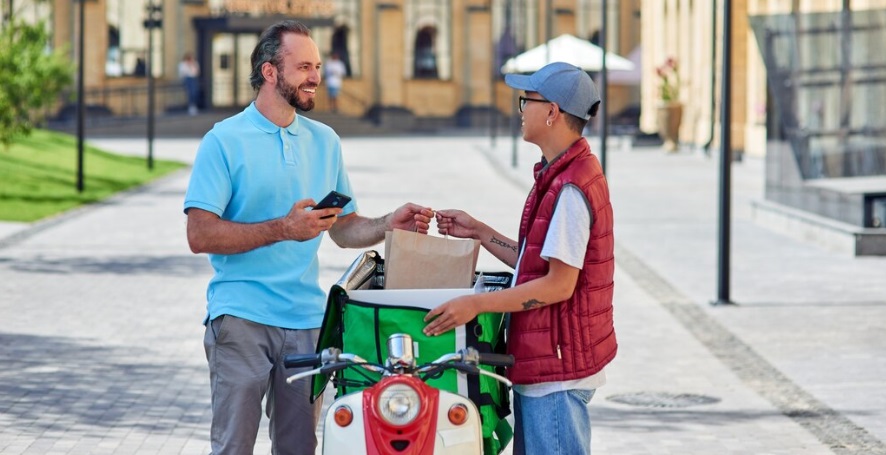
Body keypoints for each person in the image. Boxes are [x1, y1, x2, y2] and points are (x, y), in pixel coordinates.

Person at [183, 20, 434, 455]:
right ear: (269, 72)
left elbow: (342, 227)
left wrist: (387, 223)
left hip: (307, 324)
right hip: (241, 318)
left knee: (300, 449)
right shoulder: (223, 140)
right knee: (233, 447)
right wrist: (283, 228)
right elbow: (199, 233)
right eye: (303, 66)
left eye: (316, 65)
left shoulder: (325, 140)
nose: (315, 76)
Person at [422, 62, 616, 455]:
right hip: (547, 366)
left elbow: (559, 285)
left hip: (556, 375)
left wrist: (475, 304)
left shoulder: (571, 188)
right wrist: (479, 231)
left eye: (525, 100)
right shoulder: (559, 175)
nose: (519, 109)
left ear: (552, 112)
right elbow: (537, 262)